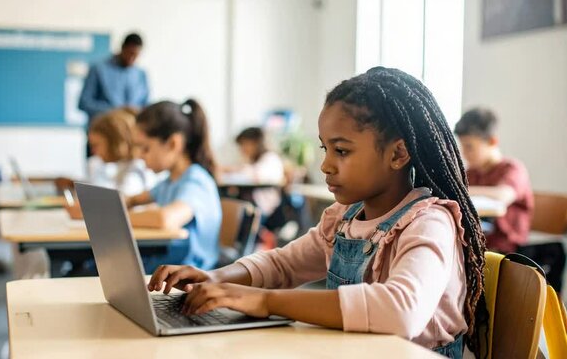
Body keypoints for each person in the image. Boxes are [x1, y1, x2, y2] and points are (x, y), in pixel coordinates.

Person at [147, 67, 488, 358]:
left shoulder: (429, 223)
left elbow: (401, 311)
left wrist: (265, 301)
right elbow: (282, 264)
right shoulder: (343, 218)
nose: (325, 164)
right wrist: (218, 279)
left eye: (341, 150)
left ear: (398, 154)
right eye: (326, 148)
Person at [126, 99, 222, 272]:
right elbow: (132, 200)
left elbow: (165, 218)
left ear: (173, 144)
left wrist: (114, 218)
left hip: (188, 278)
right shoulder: (170, 181)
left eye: (145, 148)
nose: (139, 156)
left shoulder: (196, 181)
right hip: (166, 268)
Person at [454, 108, 533, 253]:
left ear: (492, 141)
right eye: (462, 146)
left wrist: (459, 189)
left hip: (509, 253)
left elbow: (503, 195)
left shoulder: (513, 169)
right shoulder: (471, 173)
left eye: (469, 146)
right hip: (480, 249)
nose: (464, 153)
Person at [79, 32, 150, 156]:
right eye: (130, 53)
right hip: (103, 139)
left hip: (129, 142)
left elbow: (146, 107)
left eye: (136, 56)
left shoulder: (141, 75)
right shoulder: (98, 69)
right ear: (122, 48)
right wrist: (117, 111)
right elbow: (84, 102)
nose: (132, 59)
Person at [220, 127, 285, 217]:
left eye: (244, 144)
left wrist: (232, 170)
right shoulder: (252, 161)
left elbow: (256, 175)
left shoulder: (271, 159)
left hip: (265, 207)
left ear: (256, 143)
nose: (242, 149)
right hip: (253, 204)